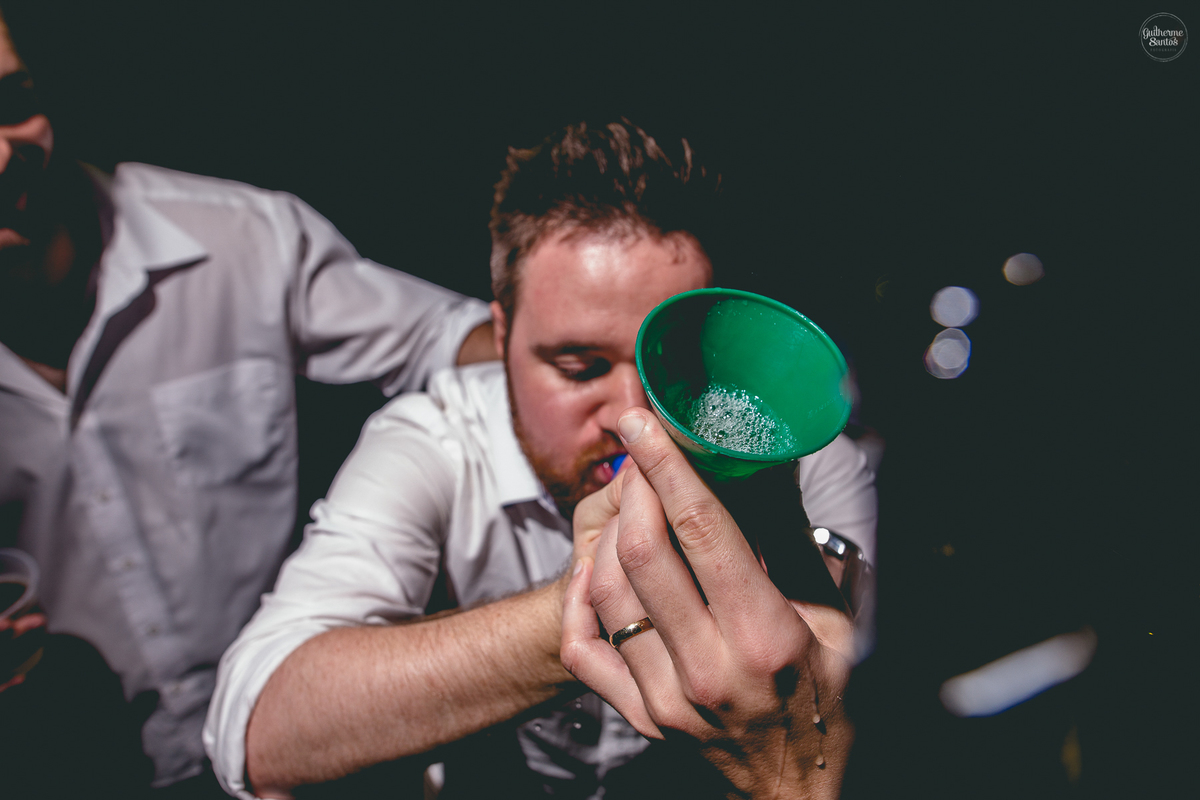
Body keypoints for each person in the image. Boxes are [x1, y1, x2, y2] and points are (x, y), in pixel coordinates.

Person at [205, 119, 877, 799]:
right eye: (580, 367)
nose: (631, 418)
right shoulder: (435, 440)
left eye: (669, 365)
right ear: (502, 337)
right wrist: (583, 606)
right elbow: (257, 726)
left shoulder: (800, 467)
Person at [0, 10, 496, 794]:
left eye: (11, 98)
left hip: (307, 755)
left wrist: (590, 353)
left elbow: (447, 336)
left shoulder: (241, 241)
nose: (0, 152)